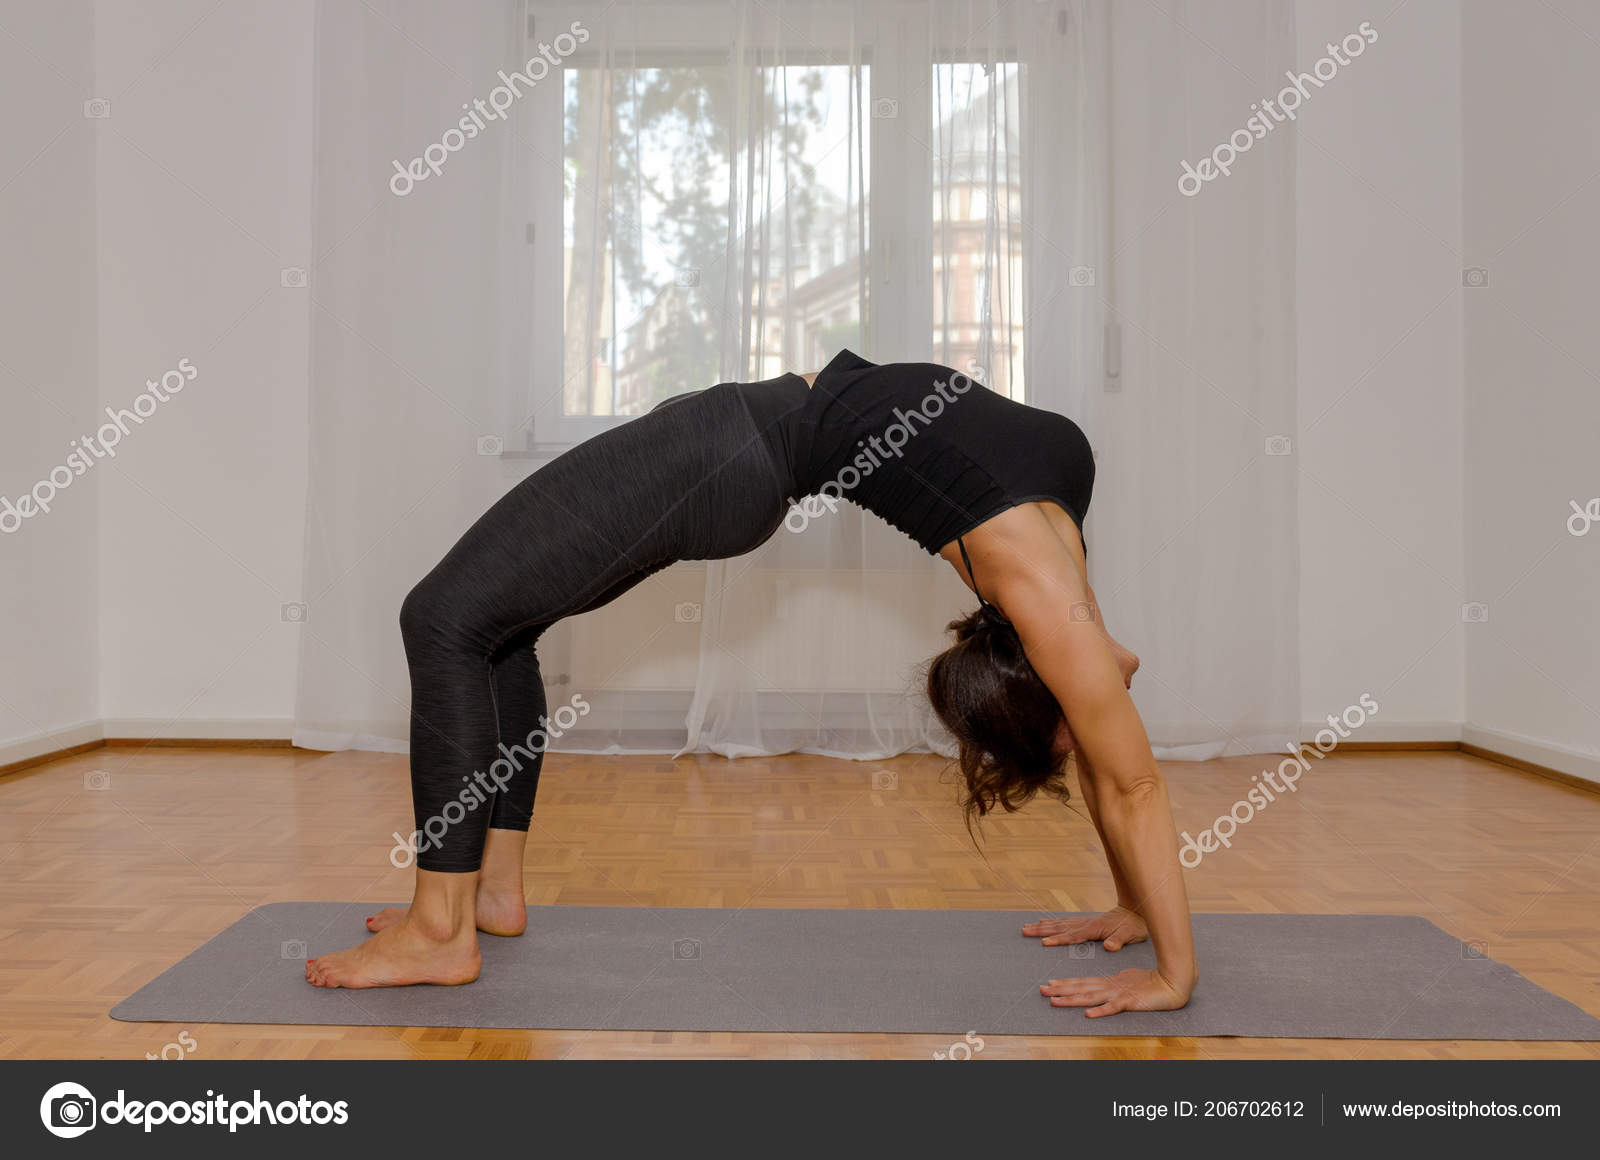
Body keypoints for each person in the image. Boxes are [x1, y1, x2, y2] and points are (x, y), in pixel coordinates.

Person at [305, 349, 1197, 1017]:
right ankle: (488, 893)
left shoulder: (1047, 570)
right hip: (731, 449)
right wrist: (1131, 907)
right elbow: (1121, 755)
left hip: (727, 451)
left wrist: (1171, 971)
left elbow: (1128, 779)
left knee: (442, 618)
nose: (1102, 714)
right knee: (497, 625)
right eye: (1078, 724)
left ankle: (439, 930)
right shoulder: (1056, 586)